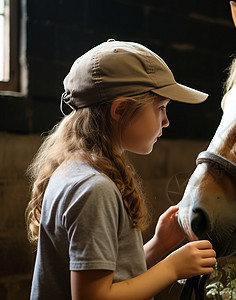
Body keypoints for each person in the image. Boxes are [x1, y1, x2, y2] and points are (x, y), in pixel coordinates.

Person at [25, 39, 216, 299]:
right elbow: (94, 296)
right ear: (121, 109)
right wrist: (172, 268)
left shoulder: (73, 170)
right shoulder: (94, 189)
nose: (166, 121)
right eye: (160, 108)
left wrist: (158, 246)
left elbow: (109, 278)